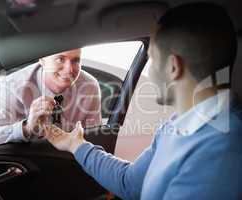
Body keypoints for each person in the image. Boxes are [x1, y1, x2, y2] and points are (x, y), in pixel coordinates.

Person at [44, 3, 242, 200]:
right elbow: (129, 183)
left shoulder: (223, 150)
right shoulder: (177, 125)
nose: (151, 71)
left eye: (152, 60)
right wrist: (76, 145)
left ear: (173, 67)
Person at [0, 49, 102, 146]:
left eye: (75, 60)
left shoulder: (89, 86)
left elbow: (94, 138)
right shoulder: (12, 86)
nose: (69, 69)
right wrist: (27, 128)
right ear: (42, 59)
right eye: (60, 59)